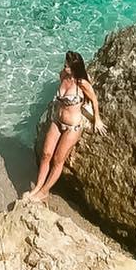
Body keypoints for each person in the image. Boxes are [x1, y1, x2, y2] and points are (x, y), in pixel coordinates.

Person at [25, 51, 104, 202]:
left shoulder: (82, 83)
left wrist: (97, 119)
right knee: (46, 154)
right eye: (65, 65)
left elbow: (94, 99)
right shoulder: (62, 75)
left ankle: (44, 191)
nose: (64, 68)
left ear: (74, 68)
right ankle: (37, 187)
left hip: (72, 127)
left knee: (57, 159)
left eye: (67, 66)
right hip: (57, 121)